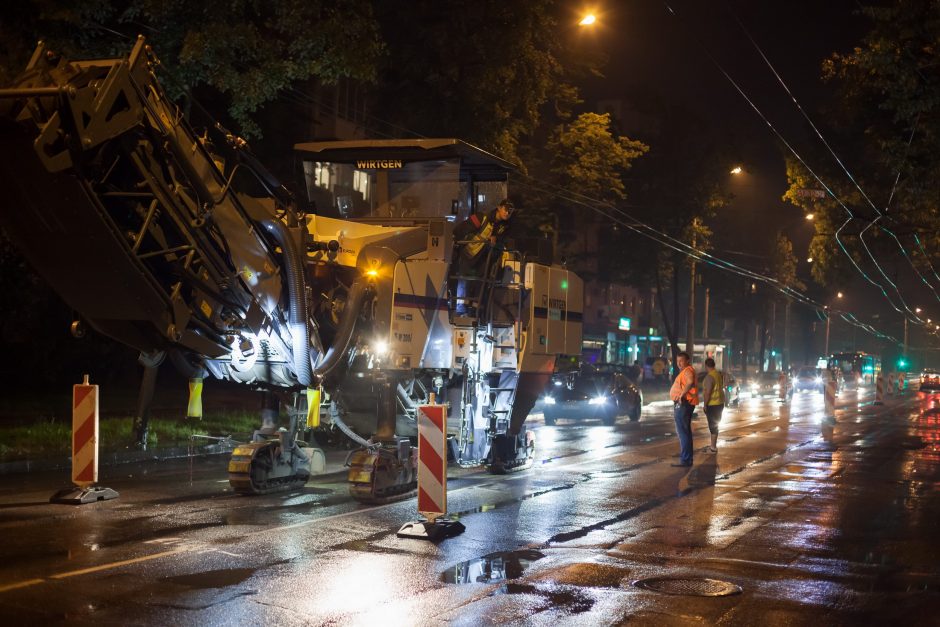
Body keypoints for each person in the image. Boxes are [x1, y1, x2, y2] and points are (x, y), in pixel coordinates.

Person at [453, 199, 514, 314]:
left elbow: (503, 243)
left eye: (510, 212)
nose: (507, 213)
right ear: (499, 207)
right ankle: (461, 309)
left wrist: (497, 241)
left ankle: (475, 311)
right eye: (506, 209)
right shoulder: (482, 218)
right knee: (465, 281)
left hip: (484, 260)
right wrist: (453, 238)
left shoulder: (505, 228)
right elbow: (463, 227)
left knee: (480, 283)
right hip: (468, 255)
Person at [669, 351, 698, 467]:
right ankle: (687, 459)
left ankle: (686, 459)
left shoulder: (688, 370)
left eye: (681, 361)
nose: (679, 363)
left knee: (683, 432)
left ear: (688, 361)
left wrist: (681, 395)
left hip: (684, 404)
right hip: (685, 404)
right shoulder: (685, 371)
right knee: (685, 432)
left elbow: (690, 382)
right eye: (677, 361)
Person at [700, 357, 724, 453]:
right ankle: (713, 446)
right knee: (715, 425)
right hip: (720, 403)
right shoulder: (718, 374)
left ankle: (713, 447)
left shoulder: (709, 377)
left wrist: (705, 405)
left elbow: (708, 392)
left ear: (706, 366)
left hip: (712, 405)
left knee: (712, 426)